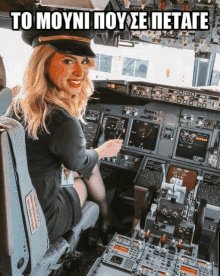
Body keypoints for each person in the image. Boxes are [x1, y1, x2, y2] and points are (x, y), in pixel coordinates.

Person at [7, 29, 123, 243]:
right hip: (40, 219)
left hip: (10, 208)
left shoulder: (14, 103)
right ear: (43, 63)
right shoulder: (63, 121)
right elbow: (81, 164)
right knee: (85, 176)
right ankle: (107, 216)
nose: (80, 72)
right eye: (68, 60)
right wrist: (101, 151)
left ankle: (107, 214)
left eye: (85, 61)